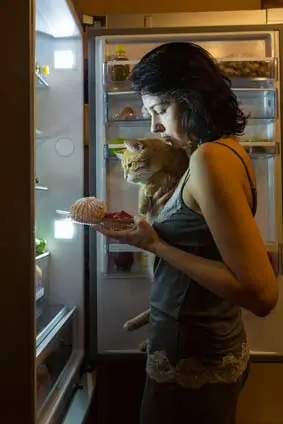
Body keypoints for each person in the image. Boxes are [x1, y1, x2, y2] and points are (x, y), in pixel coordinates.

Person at [96, 42, 278, 424]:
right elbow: (210, 247)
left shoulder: (209, 158)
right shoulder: (226, 151)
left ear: (192, 100)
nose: (153, 126)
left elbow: (261, 294)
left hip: (193, 361)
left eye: (160, 110)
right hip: (204, 347)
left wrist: (156, 244)